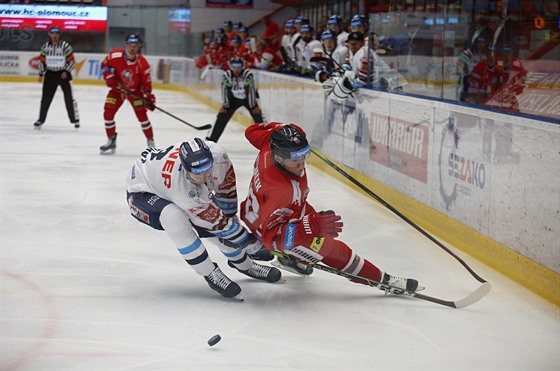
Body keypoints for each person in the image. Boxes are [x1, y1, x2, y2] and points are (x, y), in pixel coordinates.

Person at [240, 122, 421, 294]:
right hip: (266, 226)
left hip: (265, 210)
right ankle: (384, 280)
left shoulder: (269, 143)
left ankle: (295, 258)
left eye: (304, 153)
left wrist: (287, 130)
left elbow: (251, 131)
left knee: (318, 227)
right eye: (294, 158)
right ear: (278, 156)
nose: (301, 162)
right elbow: (271, 239)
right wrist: (307, 228)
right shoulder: (283, 190)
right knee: (330, 248)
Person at [125, 137, 281, 299]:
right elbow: (218, 225)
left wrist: (233, 221)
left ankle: (245, 265)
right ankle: (210, 273)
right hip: (142, 193)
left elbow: (227, 191)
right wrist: (252, 243)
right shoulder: (181, 188)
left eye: (207, 167)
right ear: (185, 168)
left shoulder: (219, 156)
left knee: (221, 224)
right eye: (197, 172)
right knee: (174, 217)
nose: (204, 175)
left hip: (166, 182)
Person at [99, 33, 156, 154]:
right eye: (130, 45)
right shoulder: (115, 55)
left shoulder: (142, 63)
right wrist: (108, 76)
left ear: (139, 46)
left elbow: (146, 83)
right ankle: (111, 140)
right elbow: (104, 65)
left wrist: (148, 96)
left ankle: (151, 142)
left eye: (135, 45)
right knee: (108, 113)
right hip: (117, 90)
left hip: (134, 91)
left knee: (142, 116)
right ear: (126, 45)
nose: (132, 48)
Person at [206, 56, 264, 143]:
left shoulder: (248, 75)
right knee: (222, 115)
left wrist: (253, 106)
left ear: (242, 66)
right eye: (234, 66)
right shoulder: (227, 75)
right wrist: (225, 105)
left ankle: (265, 140)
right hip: (233, 99)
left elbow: (251, 91)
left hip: (248, 99)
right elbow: (225, 90)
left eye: (239, 66)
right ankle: (211, 141)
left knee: (258, 116)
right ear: (231, 66)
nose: (237, 69)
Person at [34, 26, 79, 130]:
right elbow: (42, 61)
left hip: (63, 74)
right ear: (49, 34)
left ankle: (74, 119)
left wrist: (66, 71)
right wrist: (41, 73)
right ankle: (41, 119)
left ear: (59, 35)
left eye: (57, 33)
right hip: (50, 75)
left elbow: (71, 61)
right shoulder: (45, 47)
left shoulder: (65, 46)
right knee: (46, 98)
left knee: (69, 98)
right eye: (53, 33)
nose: (55, 35)